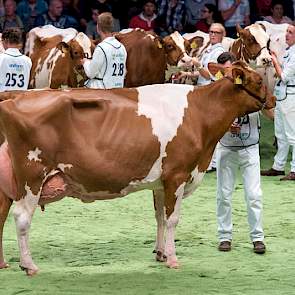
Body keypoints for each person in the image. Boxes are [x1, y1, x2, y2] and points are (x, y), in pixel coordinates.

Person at [214, 52, 272, 254]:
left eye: (233, 71)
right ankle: (224, 236)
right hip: (226, 147)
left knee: (254, 195)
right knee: (223, 194)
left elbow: (269, 110)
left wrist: (272, 109)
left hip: (250, 147)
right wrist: (225, 123)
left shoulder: (253, 86)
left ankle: (257, 237)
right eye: (226, 72)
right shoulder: (220, 92)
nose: (230, 75)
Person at [261, 25, 295, 181]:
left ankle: (294, 169)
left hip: (291, 96)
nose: (286, 35)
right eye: (286, 32)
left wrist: (274, 61)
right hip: (282, 96)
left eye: (290, 32)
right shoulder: (289, 52)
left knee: (292, 135)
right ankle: (278, 166)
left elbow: (285, 76)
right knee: (280, 134)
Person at [82, 12, 127, 89]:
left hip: (101, 91)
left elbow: (90, 73)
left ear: (98, 28)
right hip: (119, 89)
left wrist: (85, 62)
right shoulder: (122, 47)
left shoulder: (101, 48)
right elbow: (125, 72)